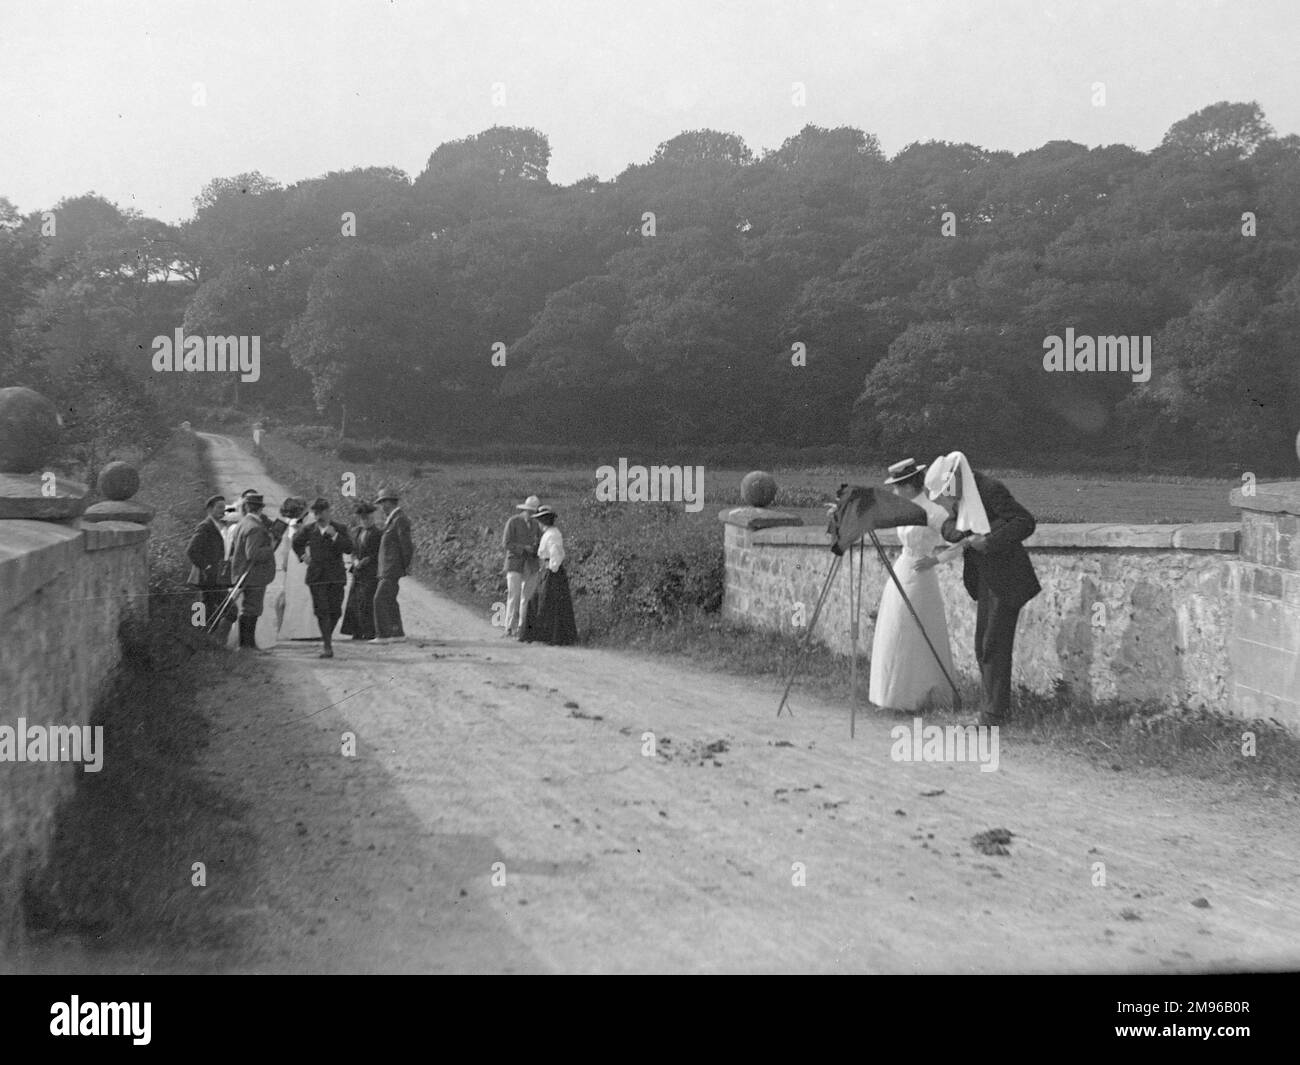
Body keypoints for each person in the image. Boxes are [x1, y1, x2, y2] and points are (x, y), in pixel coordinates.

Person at [926, 451, 1041, 726]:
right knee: (984, 644)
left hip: (1007, 577)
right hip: (987, 579)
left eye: (946, 490)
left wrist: (989, 540)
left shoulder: (989, 489)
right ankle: (991, 710)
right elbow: (948, 526)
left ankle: (993, 715)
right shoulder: (964, 495)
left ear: (954, 478)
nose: (947, 497)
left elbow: (1025, 521)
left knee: (993, 644)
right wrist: (966, 534)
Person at [868, 459, 968, 713]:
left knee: (917, 628)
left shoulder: (934, 512)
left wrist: (936, 559)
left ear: (910, 485)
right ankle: (893, 696)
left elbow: (959, 542)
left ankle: (923, 695)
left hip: (921, 576)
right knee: (896, 627)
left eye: (897, 487)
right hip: (902, 569)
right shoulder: (905, 509)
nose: (895, 493)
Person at [292, 497, 355, 658]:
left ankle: (326, 637)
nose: (319, 516)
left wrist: (335, 537)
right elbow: (296, 542)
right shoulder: (308, 529)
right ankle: (327, 645)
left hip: (335, 576)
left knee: (336, 612)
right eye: (316, 513)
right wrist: (302, 556)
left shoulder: (339, 528)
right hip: (317, 576)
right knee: (322, 611)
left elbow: (349, 548)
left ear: (328, 512)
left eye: (322, 512)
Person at [520, 506, 577, 646]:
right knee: (540, 602)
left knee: (546, 603)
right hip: (547, 570)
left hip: (552, 572)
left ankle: (551, 636)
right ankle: (540, 635)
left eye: (540, 520)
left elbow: (555, 554)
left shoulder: (552, 535)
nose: (539, 523)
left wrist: (551, 568)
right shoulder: (549, 533)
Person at [229, 492, 278, 654]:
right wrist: (270, 547)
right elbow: (253, 554)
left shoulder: (243, 523)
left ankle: (248, 645)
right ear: (260, 509)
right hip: (253, 575)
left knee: (249, 608)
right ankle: (247, 646)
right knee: (252, 609)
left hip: (244, 573)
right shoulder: (255, 527)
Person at [186, 494, 234, 641]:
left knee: (213, 610)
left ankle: (210, 642)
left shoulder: (221, 526)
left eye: (224, 508)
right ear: (209, 509)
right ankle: (201, 641)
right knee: (204, 611)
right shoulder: (205, 527)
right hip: (203, 578)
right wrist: (207, 566)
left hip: (216, 578)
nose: (223, 511)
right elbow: (191, 551)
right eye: (219, 507)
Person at [373, 487, 414, 643]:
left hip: (392, 568)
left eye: (383, 502)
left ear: (390, 502)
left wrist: (405, 566)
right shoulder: (392, 520)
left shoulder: (400, 520)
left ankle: (383, 635)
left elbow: (406, 546)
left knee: (379, 599)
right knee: (390, 600)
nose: (382, 506)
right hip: (388, 568)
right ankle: (397, 633)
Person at [275, 497, 317, 640]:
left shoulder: (312, 520)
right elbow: (287, 542)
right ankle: (295, 630)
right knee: (293, 595)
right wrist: (285, 560)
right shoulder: (291, 522)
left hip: (307, 558)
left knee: (307, 596)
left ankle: (309, 631)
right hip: (293, 562)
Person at [341, 501, 382, 641]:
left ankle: (369, 631)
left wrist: (365, 560)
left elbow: (377, 553)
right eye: (363, 518)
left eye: (368, 517)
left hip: (370, 571)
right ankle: (356, 631)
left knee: (367, 600)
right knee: (355, 601)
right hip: (358, 571)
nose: (366, 520)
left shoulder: (377, 533)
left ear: (373, 517)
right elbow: (353, 550)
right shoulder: (357, 531)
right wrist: (354, 561)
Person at [502, 494, 541, 637]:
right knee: (514, 595)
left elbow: (540, 543)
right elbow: (506, 543)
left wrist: (535, 549)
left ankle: (522, 628)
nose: (531, 514)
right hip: (515, 563)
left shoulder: (536, 525)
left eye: (533, 511)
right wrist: (523, 548)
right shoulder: (513, 522)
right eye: (529, 511)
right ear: (524, 510)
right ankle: (509, 627)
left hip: (530, 564)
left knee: (527, 597)